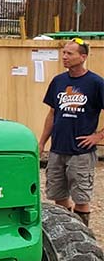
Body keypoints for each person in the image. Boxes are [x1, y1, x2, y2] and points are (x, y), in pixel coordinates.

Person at [40, 38, 104, 226]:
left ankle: (83, 234)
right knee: (58, 196)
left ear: (82, 57)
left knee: (81, 198)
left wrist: (98, 136)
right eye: (64, 53)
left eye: (69, 53)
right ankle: (66, 230)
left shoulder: (96, 83)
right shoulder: (59, 81)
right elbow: (52, 113)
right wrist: (43, 141)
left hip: (81, 153)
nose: (64, 57)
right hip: (58, 149)